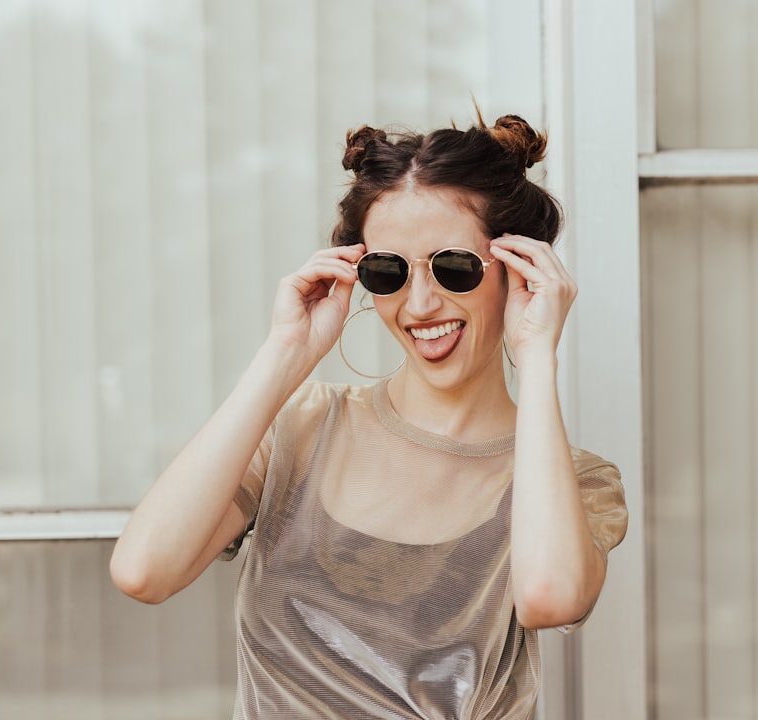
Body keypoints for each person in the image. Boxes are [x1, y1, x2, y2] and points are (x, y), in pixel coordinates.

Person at [110, 112, 628, 719]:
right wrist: (284, 355)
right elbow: (144, 571)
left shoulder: (574, 480)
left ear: (516, 270)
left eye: (454, 266)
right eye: (389, 272)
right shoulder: (302, 427)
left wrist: (537, 357)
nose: (420, 303)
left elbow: (549, 598)